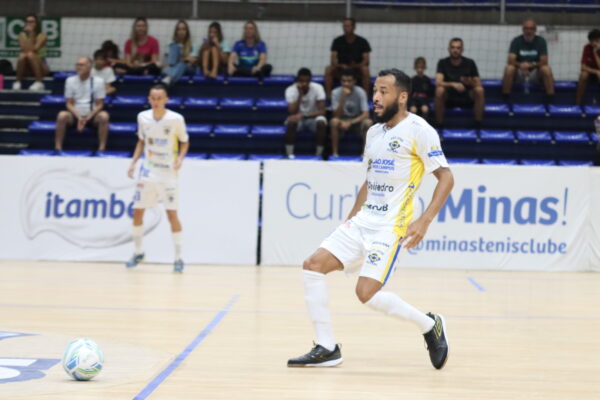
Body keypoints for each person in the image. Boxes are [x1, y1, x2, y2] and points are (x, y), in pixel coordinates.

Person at [287, 68, 454, 369]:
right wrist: (349, 221)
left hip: (391, 226)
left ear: (402, 97)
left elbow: (446, 178)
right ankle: (327, 347)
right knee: (312, 266)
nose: (375, 97)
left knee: (365, 294)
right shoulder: (373, 132)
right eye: (375, 90)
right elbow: (368, 181)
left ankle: (430, 325)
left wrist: (424, 221)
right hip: (363, 221)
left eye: (383, 91)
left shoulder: (420, 130)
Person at [126, 84, 190, 273]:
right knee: (138, 212)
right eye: (153, 98)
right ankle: (138, 252)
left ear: (166, 99)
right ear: (149, 99)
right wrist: (133, 162)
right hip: (148, 172)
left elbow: (185, 142)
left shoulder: (176, 119)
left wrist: (180, 158)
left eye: (159, 98)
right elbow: (141, 141)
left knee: (172, 215)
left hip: (168, 173)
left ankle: (178, 258)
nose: (156, 101)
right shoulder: (142, 117)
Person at [53, 57, 109, 155]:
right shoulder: (70, 80)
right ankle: (58, 148)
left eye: (81, 65)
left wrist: (87, 118)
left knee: (104, 116)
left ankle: (101, 149)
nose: (78, 67)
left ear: (90, 67)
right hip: (75, 115)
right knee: (61, 115)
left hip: (92, 115)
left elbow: (100, 104)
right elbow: (69, 103)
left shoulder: (98, 81)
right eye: (77, 65)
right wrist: (79, 117)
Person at [501, 18, 555, 104]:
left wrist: (530, 65)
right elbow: (510, 60)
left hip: (535, 72)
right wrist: (521, 65)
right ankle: (505, 100)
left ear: (535, 30)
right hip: (519, 72)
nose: (528, 31)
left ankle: (550, 101)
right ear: (523, 29)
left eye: (531, 29)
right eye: (526, 28)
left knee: (546, 69)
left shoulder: (541, 41)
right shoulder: (516, 41)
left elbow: (544, 61)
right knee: (509, 69)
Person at [434, 38, 484, 129]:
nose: (455, 50)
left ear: (462, 49)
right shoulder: (442, 63)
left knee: (479, 90)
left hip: (467, 95)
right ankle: (439, 125)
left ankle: (478, 125)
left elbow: (478, 84)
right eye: (453, 47)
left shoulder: (470, 63)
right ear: (449, 49)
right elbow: (438, 83)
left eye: (458, 48)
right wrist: (453, 84)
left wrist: (469, 82)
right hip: (449, 96)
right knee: (439, 90)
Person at [284, 68, 327, 158]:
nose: (304, 83)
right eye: (301, 81)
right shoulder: (290, 90)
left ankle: (318, 155)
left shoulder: (318, 88)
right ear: (297, 81)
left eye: (307, 81)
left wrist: (304, 115)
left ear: (310, 80)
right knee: (291, 122)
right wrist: (300, 94)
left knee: (321, 122)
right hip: (297, 119)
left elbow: (322, 111)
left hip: (313, 118)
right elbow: (292, 111)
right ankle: (289, 154)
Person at [325, 18, 371, 99]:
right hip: (341, 69)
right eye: (344, 26)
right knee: (328, 69)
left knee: (365, 70)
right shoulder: (337, 41)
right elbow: (333, 60)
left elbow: (366, 61)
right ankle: (328, 97)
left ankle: (365, 97)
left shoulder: (362, 41)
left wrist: (355, 66)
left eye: (348, 26)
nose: (346, 28)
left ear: (354, 27)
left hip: (356, 70)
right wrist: (341, 65)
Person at [330, 68, 372, 157]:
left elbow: (366, 114)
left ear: (354, 81)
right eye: (343, 81)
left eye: (349, 81)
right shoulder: (335, 92)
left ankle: (364, 154)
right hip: (342, 120)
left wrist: (350, 122)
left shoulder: (361, 92)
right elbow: (336, 115)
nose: (346, 84)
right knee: (334, 121)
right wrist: (343, 98)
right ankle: (335, 153)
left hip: (356, 120)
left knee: (368, 123)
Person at [12, 14, 48, 91]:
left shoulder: (43, 36)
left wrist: (31, 33)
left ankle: (39, 82)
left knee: (31, 54)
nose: (29, 24)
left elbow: (34, 49)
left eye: (32, 22)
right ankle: (17, 82)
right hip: (26, 68)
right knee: (22, 55)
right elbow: (23, 49)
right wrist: (29, 35)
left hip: (41, 66)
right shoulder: (21, 35)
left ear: (36, 23)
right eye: (27, 22)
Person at [162, 20, 198, 86]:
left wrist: (183, 60)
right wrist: (186, 59)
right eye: (179, 29)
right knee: (174, 46)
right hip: (175, 68)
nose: (181, 32)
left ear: (187, 31)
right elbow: (168, 64)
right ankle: (170, 77)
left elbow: (193, 61)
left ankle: (169, 77)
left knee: (182, 64)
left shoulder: (193, 45)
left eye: (183, 29)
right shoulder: (171, 45)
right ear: (176, 32)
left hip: (189, 69)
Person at [576, 29, 600, 106]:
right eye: (592, 41)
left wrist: (595, 53)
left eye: (597, 41)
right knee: (583, 75)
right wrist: (596, 71)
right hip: (591, 74)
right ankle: (578, 103)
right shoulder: (587, 47)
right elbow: (583, 67)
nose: (594, 43)